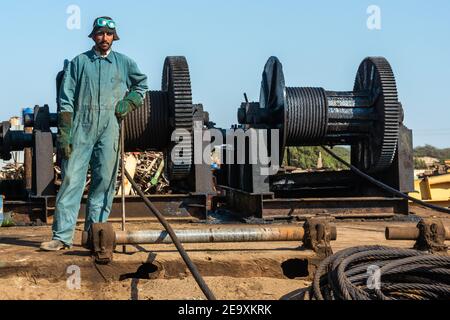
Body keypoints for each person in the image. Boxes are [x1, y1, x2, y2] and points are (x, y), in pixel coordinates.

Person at [40, 16, 148, 251]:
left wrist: (129, 102)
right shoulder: (79, 63)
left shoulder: (124, 63)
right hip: (82, 128)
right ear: (93, 36)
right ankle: (61, 237)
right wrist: (65, 133)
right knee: (71, 180)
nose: (104, 38)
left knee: (104, 183)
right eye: (100, 34)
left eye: (109, 34)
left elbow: (142, 86)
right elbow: (66, 99)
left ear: (114, 37)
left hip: (110, 129)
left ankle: (94, 235)